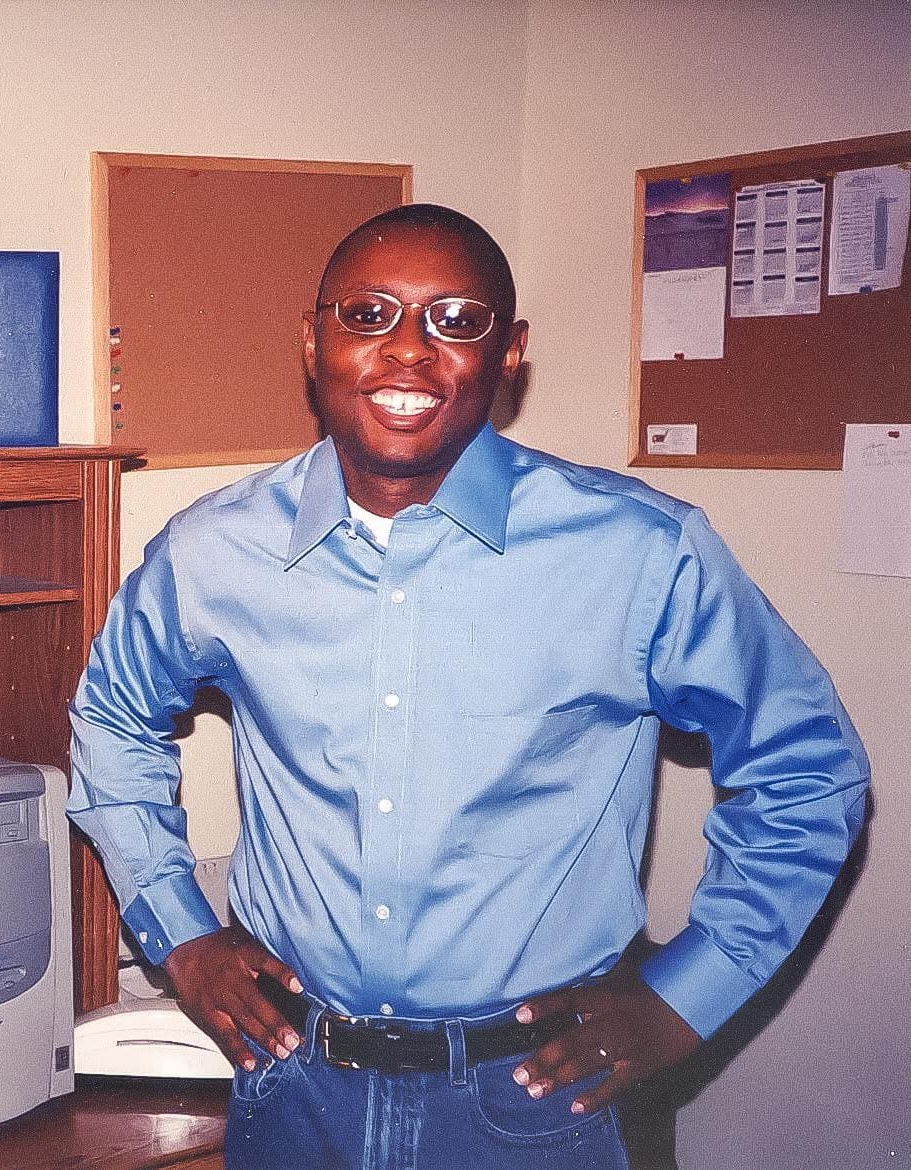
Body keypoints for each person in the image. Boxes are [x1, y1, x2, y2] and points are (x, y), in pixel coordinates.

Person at [66, 204, 868, 1169]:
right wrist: (180, 934)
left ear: (509, 353)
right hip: (292, 1085)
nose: (407, 351)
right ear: (313, 341)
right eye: (368, 315)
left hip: (534, 1098)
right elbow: (111, 714)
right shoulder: (213, 552)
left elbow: (809, 773)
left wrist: (686, 997)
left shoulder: (638, 553)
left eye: (456, 319)